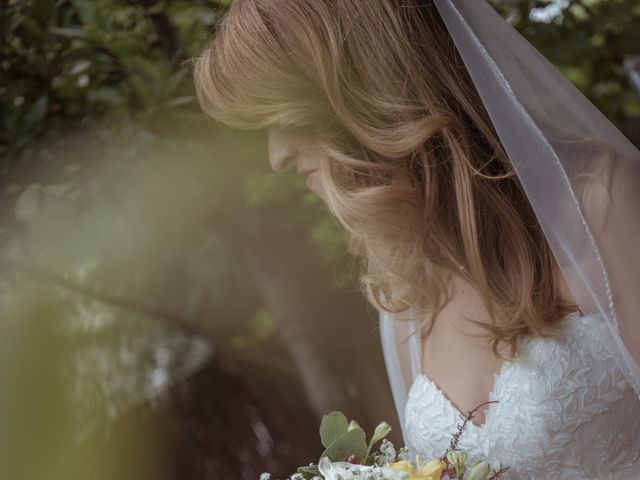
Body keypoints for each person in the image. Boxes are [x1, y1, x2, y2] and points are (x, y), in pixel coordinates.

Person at [192, 0, 640, 477]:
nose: (277, 156)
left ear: (367, 89)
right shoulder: (407, 292)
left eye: (287, 117)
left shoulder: (608, 203)